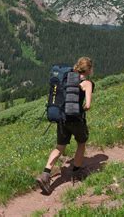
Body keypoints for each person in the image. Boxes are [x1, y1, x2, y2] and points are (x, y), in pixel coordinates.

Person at [36, 57, 94, 194]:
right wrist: (80, 109)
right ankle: (77, 172)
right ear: (89, 70)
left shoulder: (66, 78)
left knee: (59, 148)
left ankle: (45, 174)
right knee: (81, 143)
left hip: (62, 119)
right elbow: (88, 105)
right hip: (76, 120)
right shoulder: (86, 83)